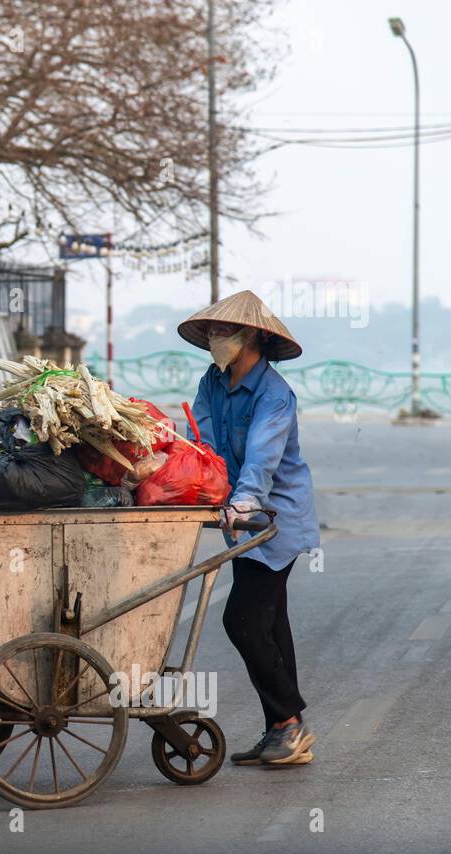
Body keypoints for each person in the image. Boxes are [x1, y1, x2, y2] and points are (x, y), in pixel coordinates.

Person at [178, 290, 321, 767]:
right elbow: (203, 442)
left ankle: (289, 721)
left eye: (226, 331)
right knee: (270, 625)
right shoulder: (212, 382)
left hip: (274, 518)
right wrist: (194, 485)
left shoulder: (275, 394)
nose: (218, 338)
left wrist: (241, 500)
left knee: (241, 620)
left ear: (253, 337)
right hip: (239, 520)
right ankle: (280, 730)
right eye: (214, 330)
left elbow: (262, 456)